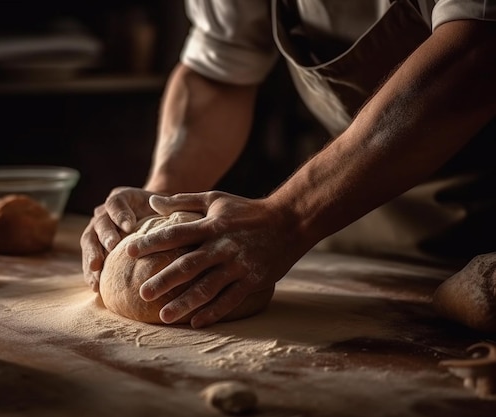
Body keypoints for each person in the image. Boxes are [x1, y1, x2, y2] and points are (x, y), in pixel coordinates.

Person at [81, 0, 496, 329]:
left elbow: (476, 54)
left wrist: (290, 217)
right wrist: (163, 197)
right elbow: (219, 69)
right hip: (347, 196)